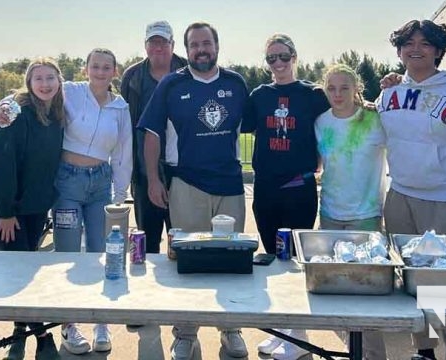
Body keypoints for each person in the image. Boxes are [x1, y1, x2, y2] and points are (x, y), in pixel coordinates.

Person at [0, 48, 133, 355]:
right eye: (94, 66)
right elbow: (28, 93)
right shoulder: (68, 91)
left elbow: (124, 152)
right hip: (67, 182)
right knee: (68, 254)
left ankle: (102, 322)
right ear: (85, 70)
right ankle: (69, 325)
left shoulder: (120, 107)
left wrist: (120, 194)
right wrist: (5, 105)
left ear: (114, 71)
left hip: (100, 184)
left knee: (102, 252)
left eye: (106, 67)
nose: (100, 71)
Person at [376, 19, 446, 360]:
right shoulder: (388, 94)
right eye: (408, 43)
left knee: (443, 291)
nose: (416, 49)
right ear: (398, 50)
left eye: (425, 43)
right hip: (400, 199)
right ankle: (423, 351)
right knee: (410, 286)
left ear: (439, 50)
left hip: (445, 203)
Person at [138, 22, 248, 360]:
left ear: (217, 45)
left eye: (207, 43)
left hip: (229, 185)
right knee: (187, 262)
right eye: (194, 44)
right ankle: (185, 334)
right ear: (185, 50)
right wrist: (154, 180)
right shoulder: (172, 84)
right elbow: (152, 134)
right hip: (185, 184)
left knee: (230, 262)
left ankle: (231, 330)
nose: (201, 49)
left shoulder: (236, 83)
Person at [240, 34, 329, 360]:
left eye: (283, 56)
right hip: (266, 187)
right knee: (274, 259)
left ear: (294, 56)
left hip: (299, 187)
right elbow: (241, 122)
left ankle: (299, 335)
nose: (278, 64)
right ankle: (283, 330)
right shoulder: (260, 95)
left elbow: (345, 109)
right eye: (271, 58)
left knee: (294, 261)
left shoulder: (312, 95)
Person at [0, 58, 64, 360]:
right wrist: (5, 210)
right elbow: (2, 164)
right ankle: (43, 337)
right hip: (5, 206)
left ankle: (19, 334)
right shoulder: (17, 112)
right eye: (38, 78)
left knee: (27, 271)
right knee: (21, 272)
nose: (45, 84)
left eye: (50, 78)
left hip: (35, 206)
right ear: (29, 83)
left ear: (59, 81)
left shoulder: (57, 115)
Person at [315, 63, 388, 360]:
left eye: (344, 87)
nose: (338, 94)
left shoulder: (374, 118)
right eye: (331, 88)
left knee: (366, 296)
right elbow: (319, 164)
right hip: (331, 213)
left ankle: (373, 356)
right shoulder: (320, 122)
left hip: (366, 215)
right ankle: (353, 349)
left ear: (356, 88)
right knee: (333, 291)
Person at [120, 21, 187, 254]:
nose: (158, 47)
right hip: (143, 170)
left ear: (173, 44)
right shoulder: (132, 76)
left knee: (182, 240)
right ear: (145, 45)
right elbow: (124, 122)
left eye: (163, 42)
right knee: (146, 243)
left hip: (183, 172)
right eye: (153, 42)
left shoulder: (189, 71)